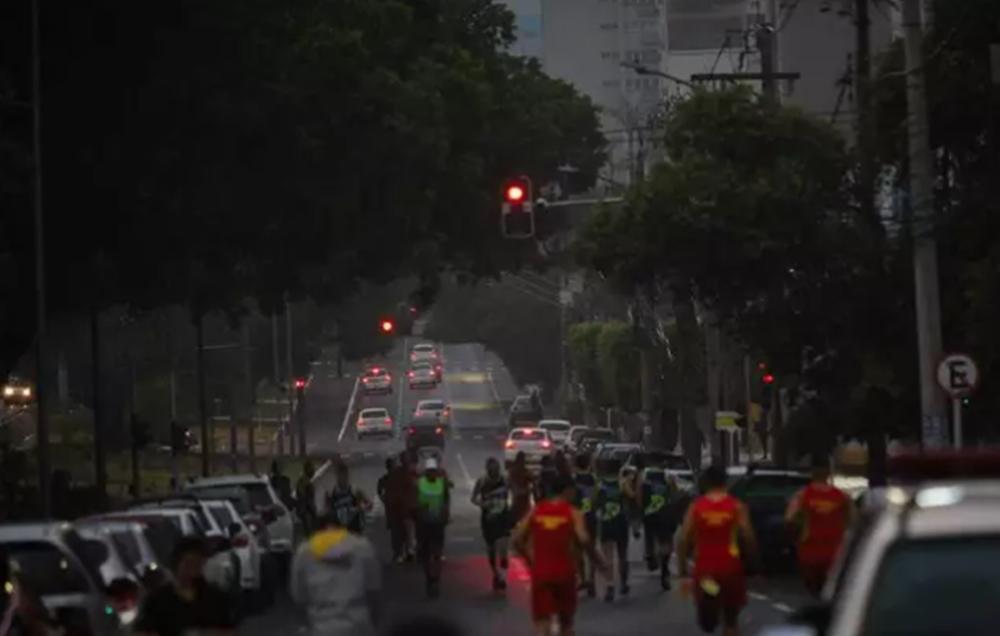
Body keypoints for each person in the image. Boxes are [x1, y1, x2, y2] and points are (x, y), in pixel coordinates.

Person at [512, 476, 609, 636]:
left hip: (541, 573)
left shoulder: (537, 511)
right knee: (566, 624)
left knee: (542, 623)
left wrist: (530, 561)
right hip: (565, 573)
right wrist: (598, 561)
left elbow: (516, 539)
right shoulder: (573, 513)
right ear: (568, 492)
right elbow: (584, 539)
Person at [677, 465, 759, 636]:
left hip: (706, 573)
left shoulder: (696, 507)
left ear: (705, 482)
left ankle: (711, 611)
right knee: (731, 619)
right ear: (725, 482)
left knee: (708, 612)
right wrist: (753, 563)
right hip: (731, 570)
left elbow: (683, 539)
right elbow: (748, 536)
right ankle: (724, 619)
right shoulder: (736, 506)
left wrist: (682, 569)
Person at [289, 510, 382, 636]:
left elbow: (299, 596)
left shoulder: (305, 552)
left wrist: (305, 624)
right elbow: (374, 589)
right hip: (359, 624)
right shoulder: (362, 546)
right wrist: (375, 621)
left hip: (321, 625)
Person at [134, 537, 239, 636]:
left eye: (198, 564)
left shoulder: (215, 597)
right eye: (188, 563)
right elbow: (144, 631)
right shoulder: (157, 599)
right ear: (176, 563)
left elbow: (228, 630)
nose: (193, 570)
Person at [784, 455, 853, 597]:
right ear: (829, 471)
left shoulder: (802, 496)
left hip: (809, 551)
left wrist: (794, 540)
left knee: (814, 593)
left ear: (812, 472)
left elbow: (789, 520)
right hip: (835, 553)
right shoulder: (843, 497)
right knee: (833, 594)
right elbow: (854, 523)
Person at [637, 453, 679, 589]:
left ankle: (651, 557)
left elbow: (638, 495)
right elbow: (674, 494)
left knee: (650, 537)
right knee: (665, 541)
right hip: (665, 513)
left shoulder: (643, 475)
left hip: (649, 512)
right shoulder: (669, 475)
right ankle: (665, 568)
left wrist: (642, 508)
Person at [471, 457, 511, 591]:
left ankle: (503, 570)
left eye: (496, 469)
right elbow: (473, 498)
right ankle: (496, 575)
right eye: (491, 469)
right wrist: (483, 504)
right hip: (488, 518)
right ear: (487, 469)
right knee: (491, 549)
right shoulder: (482, 481)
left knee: (504, 546)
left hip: (503, 516)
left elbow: (514, 491)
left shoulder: (505, 479)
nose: (494, 471)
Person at [594, 457, 630, 601]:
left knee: (607, 555)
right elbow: (631, 497)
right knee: (622, 554)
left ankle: (609, 585)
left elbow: (594, 502)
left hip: (606, 522)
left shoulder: (600, 485)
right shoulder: (623, 483)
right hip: (621, 522)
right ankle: (624, 582)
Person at [415, 456, 451, 597]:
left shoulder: (442, 484)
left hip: (437, 523)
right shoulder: (420, 483)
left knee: (436, 553)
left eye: (433, 471)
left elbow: (446, 500)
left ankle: (435, 579)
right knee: (425, 555)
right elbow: (414, 500)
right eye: (429, 471)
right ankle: (429, 578)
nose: (432, 474)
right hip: (423, 524)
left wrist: (446, 514)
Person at [572, 452, 598, 597]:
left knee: (578, 551)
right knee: (591, 550)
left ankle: (582, 579)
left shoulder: (573, 481)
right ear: (588, 464)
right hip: (591, 518)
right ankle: (591, 579)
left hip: (577, 519)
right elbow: (595, 498)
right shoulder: (593, 480)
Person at [326, 462, 373, 534]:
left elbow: (369, 504)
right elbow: (329, 513)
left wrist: (362, 507)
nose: (343, 478)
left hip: (354, 529)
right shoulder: (332, 494)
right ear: (337, 476)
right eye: (340, 475)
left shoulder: (354, 491)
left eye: (344, 475)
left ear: (347, 476)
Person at [508, 452, 534, 523]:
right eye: (521, 460)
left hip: (525, 501)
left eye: (523, 460)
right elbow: (512, 486)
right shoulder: (513, 472)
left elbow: (533, 481)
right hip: (517, 500)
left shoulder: (526, 471)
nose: (522, 462)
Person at [296, 461, 319, 536]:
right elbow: (303, 497)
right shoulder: (303, 482)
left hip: (307, 511)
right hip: (306, 512)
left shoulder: (306, 481)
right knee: (309, 535)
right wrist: (312, 508)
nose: (313, 471)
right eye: (312, 469)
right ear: (307, 469)